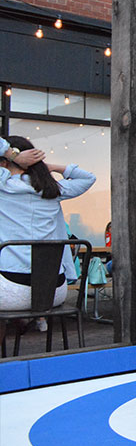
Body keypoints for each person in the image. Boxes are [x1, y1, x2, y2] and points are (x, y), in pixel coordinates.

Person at [0, 136, 94, 317]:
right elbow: (88, 178)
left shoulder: (4, 188)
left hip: (10, 292)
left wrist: (12, 155)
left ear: (4, 164)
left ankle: (21, 322)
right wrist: (52, 167)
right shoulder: (53, 189)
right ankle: (27, 321)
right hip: (54, 292)